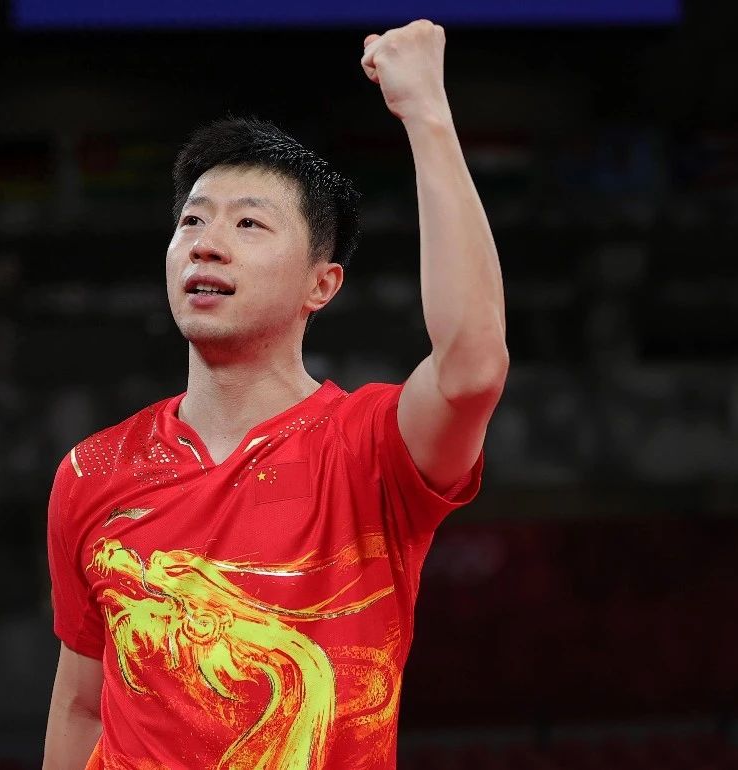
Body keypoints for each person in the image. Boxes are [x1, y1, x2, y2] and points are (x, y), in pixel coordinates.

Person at [44, 19, 508, 769]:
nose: (206, 242)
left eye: (249, 223)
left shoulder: (370, 451)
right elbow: (80, 705)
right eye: (192, 220)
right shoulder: (92, 472)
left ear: (321, 285)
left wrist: (427, 112)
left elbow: (474, 367)